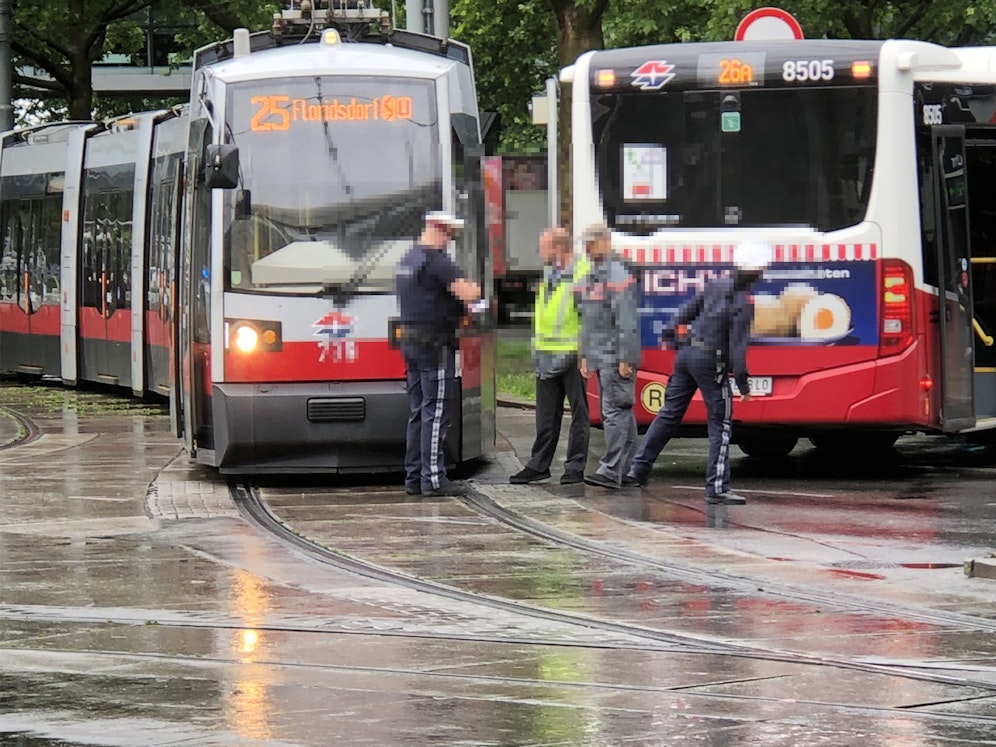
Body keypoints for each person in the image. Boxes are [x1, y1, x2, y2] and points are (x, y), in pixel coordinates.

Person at [625, 241, 772, 505]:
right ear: (758, 272)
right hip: (710, 362)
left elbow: (685, 312)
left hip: (686, 356)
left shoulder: (715, 285)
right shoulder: (743, 302)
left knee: (669, 414)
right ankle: (717, 487)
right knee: (721, 424)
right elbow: (738, 350)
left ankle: (638, 469)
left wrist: (670, 334)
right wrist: (743, 384)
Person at [396, 211, 482, 497]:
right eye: (449, 235)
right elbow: (469, 294)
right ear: (438, 230)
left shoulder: (407, 260)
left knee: (419, 412)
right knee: (436, 411)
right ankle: (433, 479)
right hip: (436, 347)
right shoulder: (436, 261)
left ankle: (413, 476)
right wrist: (474, 289)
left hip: (411, 345)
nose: (449, 242)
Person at [510, 227, 591, 486]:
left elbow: (591, 318)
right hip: (546, 356)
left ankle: (574, 467)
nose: (540, 251)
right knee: (546, 415)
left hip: (573, 355)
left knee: (579, 413)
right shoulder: (550, 274)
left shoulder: (582, 275)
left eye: (543, 246)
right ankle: (538, 465)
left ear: (558, 248)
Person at [576, 223, 641, 489]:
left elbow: (626, 321)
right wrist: (585, 355)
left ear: (605, 241)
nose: (587, 249)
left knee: (615, 412)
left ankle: (611, 470)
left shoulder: (616, 274)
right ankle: (627, 469)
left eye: (591, 244)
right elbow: (590, 321)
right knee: (620, 411)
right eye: (585, 245)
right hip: (604, 356)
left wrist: (625, 357)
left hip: (615, 356)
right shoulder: (595, 275)